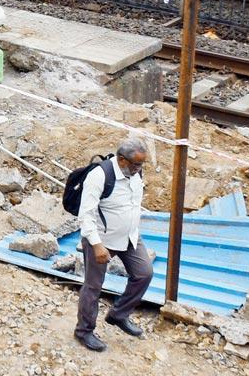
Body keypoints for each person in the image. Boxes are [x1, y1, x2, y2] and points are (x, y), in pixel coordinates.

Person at [75, 137, 152, 353]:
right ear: (121, 160)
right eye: (136, 164)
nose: (139, 168)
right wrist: (97, 245)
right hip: (101, 240)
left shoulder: (135, 173)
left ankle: (118, 315)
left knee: (144, 274)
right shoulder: (100, 176)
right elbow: (86, 215)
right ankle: (84, 331)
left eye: (142, 164)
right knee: (93, 287)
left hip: (129, 238)